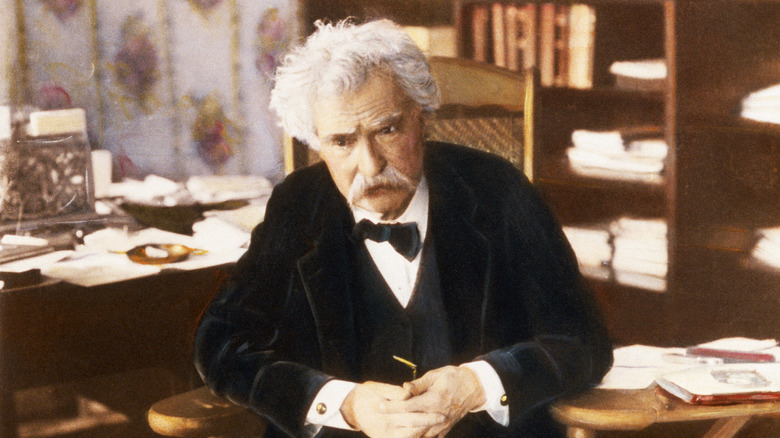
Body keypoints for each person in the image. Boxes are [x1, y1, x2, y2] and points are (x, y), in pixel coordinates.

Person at [194, 18, 613, 438]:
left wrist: (476, 385)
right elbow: (220, 344)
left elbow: (583, 340)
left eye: (386, 130)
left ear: (422, 117)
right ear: (317, 141)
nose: (371, 165)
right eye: (342, 142)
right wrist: (344, 403)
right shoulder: (298, 206)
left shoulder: (498, 192)